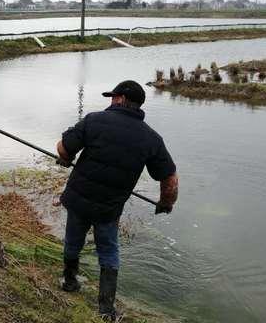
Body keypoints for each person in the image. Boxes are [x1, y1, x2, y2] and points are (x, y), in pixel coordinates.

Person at [56, 80, 178, 321]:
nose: (110, 101)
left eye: (113, 96)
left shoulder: (94, 120)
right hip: (109, 209)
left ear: (121, 99)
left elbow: (63, 147)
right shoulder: (151, 138)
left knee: (73, 241)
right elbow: (170, 179)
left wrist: (66, 157)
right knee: (109, 252)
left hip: (79, 200)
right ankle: (106, 309)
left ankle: (70, 283)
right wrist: (166, 203)